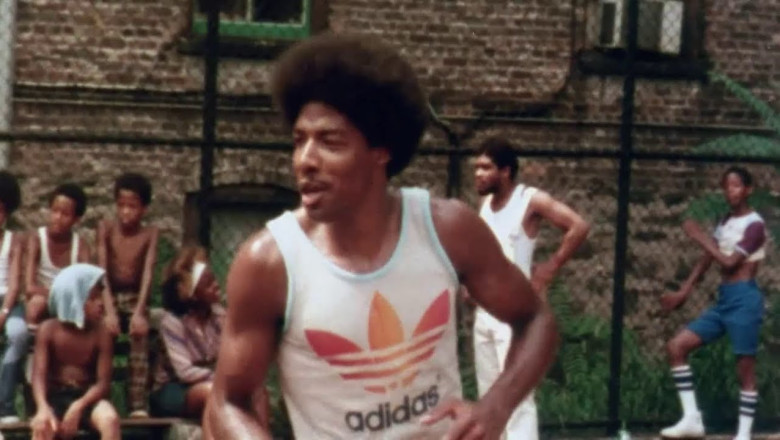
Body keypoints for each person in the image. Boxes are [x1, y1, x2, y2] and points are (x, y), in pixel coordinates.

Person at [204, 33, 559, 439]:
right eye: (299, 141)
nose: (305, 161)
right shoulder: (270, 262)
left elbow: (536, 319)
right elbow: (227, 402)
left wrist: (495, 407)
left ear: (381, 150)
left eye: (329, 142)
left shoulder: (446, 230)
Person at [472, 137, 590, 439]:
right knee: (489, 396)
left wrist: (550, 268)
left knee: (517, 399)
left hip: (515, 314)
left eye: (486, 168)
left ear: (505, 171)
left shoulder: (530, 200)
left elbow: (578, 226)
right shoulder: (485, 205)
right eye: (477, 168)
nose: (478, 174)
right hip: (484, 313)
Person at [659, 166, 766, 440]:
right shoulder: (725, 221)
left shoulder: (755, 225)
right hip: (724, 300)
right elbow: (708, 259)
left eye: (736, 186)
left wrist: (699, 237)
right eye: (726, 186)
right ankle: (691, 419)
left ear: (748, 190)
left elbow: (729, 262)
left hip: (744, 299)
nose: (730, 191)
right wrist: (684, 291)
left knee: (745, 368)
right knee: (676, 347)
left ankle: (743, 435)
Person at [30, 263, 119, 440]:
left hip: (88, 398)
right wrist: (42, 407)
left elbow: (103, 383)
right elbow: (38, 376)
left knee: (110, 419)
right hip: (55, 397)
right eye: (93, 298)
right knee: (42, 426)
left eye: (100, 297)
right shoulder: (48, 330)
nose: (101, 303)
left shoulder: (101, 333)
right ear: (75, 299)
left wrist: (79, 406)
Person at [96, 172, 159, 418]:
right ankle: (102, 399)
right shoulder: (106, 229)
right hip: (108, 295)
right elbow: (101, 271)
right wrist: (109, 311)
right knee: (104, 334)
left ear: (144, 209)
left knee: (140, 335)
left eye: (132, 206)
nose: (125, 212)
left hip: (135, 297)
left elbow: (148, 273)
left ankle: (137, 404)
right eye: (121, 205)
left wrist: (140, 311)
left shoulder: (149, 233)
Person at [149, 246, 223, 419]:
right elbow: (184, 372)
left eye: (214, 280)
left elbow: (230, 355)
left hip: (213, 380)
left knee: (256, 392)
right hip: (174, 388)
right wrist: (222, 377)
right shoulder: (173, 322)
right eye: (208, 284)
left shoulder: (219, 316)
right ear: (193, 293)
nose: (216, 286)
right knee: (211, 392)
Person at [26, 183, 91, 326]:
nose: (58, 217)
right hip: (43, 298)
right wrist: (58, 295)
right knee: (35, 305)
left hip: (69, 303)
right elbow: (30, 287)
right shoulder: (37, 239)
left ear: (76, 219)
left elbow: (85, 289)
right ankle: (34, 338)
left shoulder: (81, 246)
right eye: (55, 211)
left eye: (65, 214)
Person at [0, 172, 29, 424]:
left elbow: (15, 283)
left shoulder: (15, 241)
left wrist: (4, 312)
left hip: (8, 303)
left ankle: (6, 404)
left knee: (18, 333)